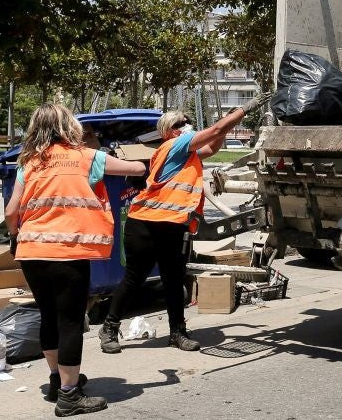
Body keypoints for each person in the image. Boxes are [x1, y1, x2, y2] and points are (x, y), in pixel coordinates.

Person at [98, 92, 271, 354]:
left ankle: (178, 333)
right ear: (168, 131)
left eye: (186, 122)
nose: (185, 126)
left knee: (173, 279)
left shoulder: (186, 152)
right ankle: (109, 328)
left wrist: (221, 131)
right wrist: (243, 111)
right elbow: (217, 129)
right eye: (179, 124)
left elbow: (212, 146)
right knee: (134, 278)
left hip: (171, 226)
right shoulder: (174, 146)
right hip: (145, 224)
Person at [5, 103, 146, 417]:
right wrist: (141, 161)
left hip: (32, 252)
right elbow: (136, 171)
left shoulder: (28, 162)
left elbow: (11, 211)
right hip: (67, 253)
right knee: (70, 321)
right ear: (69, 127)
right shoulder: (86, 157)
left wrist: (18, 236)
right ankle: (69, 396)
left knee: (48, 316)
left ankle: (57, 380)